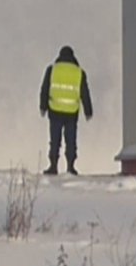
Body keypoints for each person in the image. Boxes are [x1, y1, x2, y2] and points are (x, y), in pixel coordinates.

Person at [39, 45, 93, 175]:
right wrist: (88, 111)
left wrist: (43, 107)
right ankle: (71, 166)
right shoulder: (79, 72)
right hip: (71, 112)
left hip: (55, 110)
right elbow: (84, 92)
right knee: (71, 139)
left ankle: (53, 165)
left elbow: (45, 89)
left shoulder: (52, 69)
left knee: (55, 139)